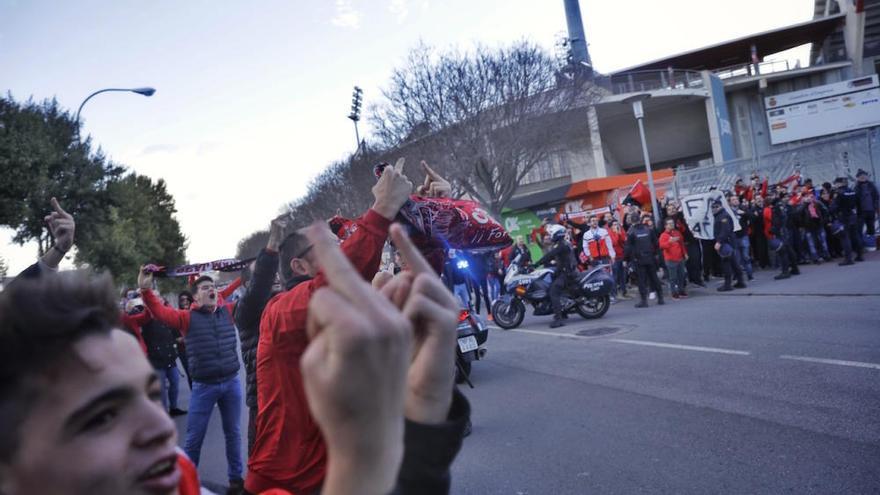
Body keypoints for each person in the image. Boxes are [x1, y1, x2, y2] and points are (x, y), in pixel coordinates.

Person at [0, 237, 469, 495]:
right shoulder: (212, 315)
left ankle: (237, 481)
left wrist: (422, 431)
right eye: (102, 416)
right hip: (210, 390)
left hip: (231, 389)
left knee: (234, 448)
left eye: (149, 395)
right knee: (201, 435)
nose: (161, 426)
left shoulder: (224, 307)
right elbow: (174, 310)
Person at [245, 160, 413, 494]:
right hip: (288, 481)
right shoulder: (278, 313)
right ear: (299, 265)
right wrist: (381, 209)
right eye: (329, 246)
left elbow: (414, 289)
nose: (340, 248)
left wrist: (427, 219)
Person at [137, 270, 245, 492]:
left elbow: (254, 296)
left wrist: (250, 273)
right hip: (204, 387)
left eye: (212, 287)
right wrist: (146, 290)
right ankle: (186, 484)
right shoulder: (185, 318)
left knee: (233, 433)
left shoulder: (228, 311)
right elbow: (158, 312)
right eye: (205, 288)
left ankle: (236, 480)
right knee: (194, 439)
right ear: (195, 298)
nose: (211, 290)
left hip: (232, 382)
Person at [233, 216, 285, 456]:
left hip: (292, 395)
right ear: (247, 286)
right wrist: (273, 243)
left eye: (276, 270)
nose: (274, 275)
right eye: (266, 272)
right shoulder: (245, 311)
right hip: (263, 402)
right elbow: (259, 286)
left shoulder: (289, 302)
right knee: (262, 464)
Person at [134, 297, 187, 417]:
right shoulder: (144, 317)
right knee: (161, 388)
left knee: (175, 382)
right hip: (155, 359)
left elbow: (174, 331)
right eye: (155, 298)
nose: (158, 300)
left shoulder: (165, 315)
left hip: (169, 356)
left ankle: (173, 407)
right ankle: (164, 413)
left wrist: (178, 340)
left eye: (159, 298)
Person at [532, 224, 577, 328]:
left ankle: (559, 319)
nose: (550, 235)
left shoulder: (561, 245)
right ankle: (564, 311)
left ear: (557, 234)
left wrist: (536, 264)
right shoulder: (560, 243)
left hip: (567, 273)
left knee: (553, 291)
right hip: (563, 271)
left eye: (551, 234)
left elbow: (550, 255)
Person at [625, 213, 664, 308]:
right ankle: (660, 298)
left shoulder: (631, 232)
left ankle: (644, 301)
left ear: (632, 221)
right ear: (640, 220)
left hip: (639, 259)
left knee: (641, 280)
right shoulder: (648, 230)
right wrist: (656, 255)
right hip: (650, 257)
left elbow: (628, 248)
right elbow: (656, 244)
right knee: (654, 278)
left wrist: (626, 259)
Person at [712, 199, 746, 292]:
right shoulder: (721, 215)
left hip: (725, 243)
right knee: (734, 263)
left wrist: (719, 242)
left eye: (716, 206)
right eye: (713, 207)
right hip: (728, 242)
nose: (714, 209)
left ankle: (728, 284)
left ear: (721, 206)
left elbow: (725, 230)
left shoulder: (723, 216)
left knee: (726, 263)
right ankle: (740, 281)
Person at [830, 176, 864, 265]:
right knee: (855, 236)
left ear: (839, 183)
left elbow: (833, 208)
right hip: (853, 216)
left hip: (843, 217)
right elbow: (859, 204)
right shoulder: (852, 191)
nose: (835, 185)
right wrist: (859, 215)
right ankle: (860, 255)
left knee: (845, 238)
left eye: (836, 183)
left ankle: (848, 259)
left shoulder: (838, 193)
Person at [769, 193, 801, 279]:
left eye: (771, 195)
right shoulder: (781, 206)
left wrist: (774, 229)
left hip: (781, 231)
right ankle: (795, 268)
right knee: (789, 250)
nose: (769, 197)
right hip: (785, 230)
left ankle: (785, 271)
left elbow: (778, 220)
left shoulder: (777, 207)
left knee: (782, 252)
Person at [659, 218, 688, 299]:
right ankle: (674, 292)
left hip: (680, 258)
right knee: (673, 277)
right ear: (665, 226)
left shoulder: (677, 232)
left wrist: (685, 253)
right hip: (670, 260)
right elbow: (661, 246)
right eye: (669, 223)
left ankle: (681, 290)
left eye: (672, 223)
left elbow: (681, 243)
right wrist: (670, 242)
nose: (672, 225)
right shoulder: (663, 235)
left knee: (681, 275)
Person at [800, 192, 830, 264]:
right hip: (808, 227)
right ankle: (815, 257)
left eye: (811, 196)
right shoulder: (802, 205)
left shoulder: (817, 203)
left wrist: (824, 220)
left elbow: (825, 210)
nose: (809, 198)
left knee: (823, 241)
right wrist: (805, 204)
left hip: (819, 224)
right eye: (807, 196)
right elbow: (798, 213)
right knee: (811, 243)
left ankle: (826, 255)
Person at [729, 195, 754, 281]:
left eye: (736, 199)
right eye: (733, 199)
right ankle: (738, 276)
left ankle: (750, 275)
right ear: (730, 202)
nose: (735, 201)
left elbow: (752, 216)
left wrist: (744, 213)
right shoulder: (728, 211)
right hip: (734, 237)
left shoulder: (743, 208)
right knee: (737, 258)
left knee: (746, 256)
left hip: (743, 236)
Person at [854, 169, 878, 243]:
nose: (863, 177)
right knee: (859, 229)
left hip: (871, 210)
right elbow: (854, 200)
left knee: (871, 228)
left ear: (867, 176)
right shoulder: (856, 187)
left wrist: (875, 206)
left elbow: (876, 196)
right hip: (861, 212)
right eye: (860, 176)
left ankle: (872, 244)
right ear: (857, 178)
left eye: (864, 175)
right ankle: (861, 245)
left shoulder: (872, 185)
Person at [608, 219, 631, 299]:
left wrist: (619, 233)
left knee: (623, 275)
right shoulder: (609, 233)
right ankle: (614, 294)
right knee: (615, 276)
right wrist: (616, 233)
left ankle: (624, 292)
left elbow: (624, 240)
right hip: (614, 257)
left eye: (617, 224)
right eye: (614, 224)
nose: (616, 226)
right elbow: (614, 242)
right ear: (610, 226)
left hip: (622, 256)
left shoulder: (621, 231)